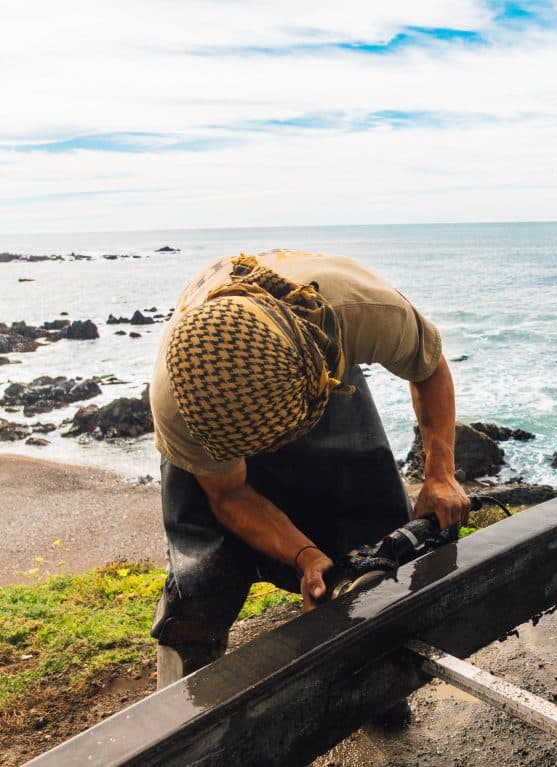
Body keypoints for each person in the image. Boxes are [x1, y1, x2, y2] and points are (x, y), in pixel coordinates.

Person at [148, 249, 470, 687]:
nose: (274, 451)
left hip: (307, 362)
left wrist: (440, 474)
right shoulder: (183, 407)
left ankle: (378, 684)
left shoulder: (361, 311)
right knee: (202, 579)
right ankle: (186, 697)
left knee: (375, 545)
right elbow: (229, 494)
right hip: (217, 408)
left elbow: (428, 367)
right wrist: (305, 557)